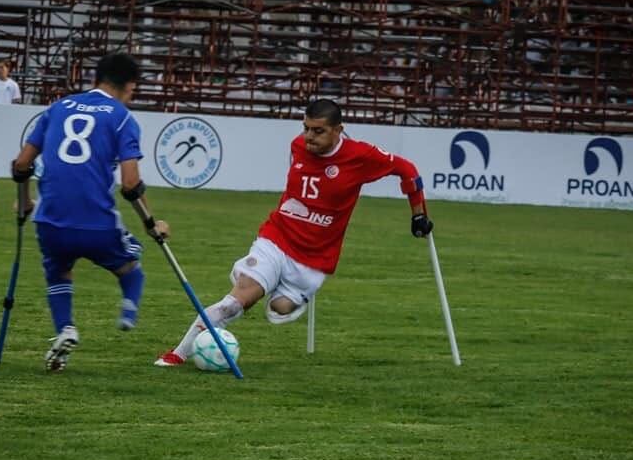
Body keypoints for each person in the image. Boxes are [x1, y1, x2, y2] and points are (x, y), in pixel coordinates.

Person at [155, 98, 433, 367]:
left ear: (338, 130)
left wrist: (418, 213)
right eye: (306, 128)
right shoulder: (298, 146)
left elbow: (407, 170)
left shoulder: (361, 156)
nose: (308, 137)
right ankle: (178, 354)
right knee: (237, 301)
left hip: (314, 258)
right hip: (277, 238)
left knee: (280, 309)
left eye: (318, 131)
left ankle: (290, 296)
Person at [11, 53, 169, 373]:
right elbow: (130, 183)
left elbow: (21, 165)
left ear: (97, 79)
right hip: (96, 223)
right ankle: (127, 311)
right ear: (128, 86)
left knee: (58, 271)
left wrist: (25, 200)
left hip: (50, 219)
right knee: (131, 263)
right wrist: (152, 223)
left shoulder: (57, 107)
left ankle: (66, 330)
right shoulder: (123, 117)